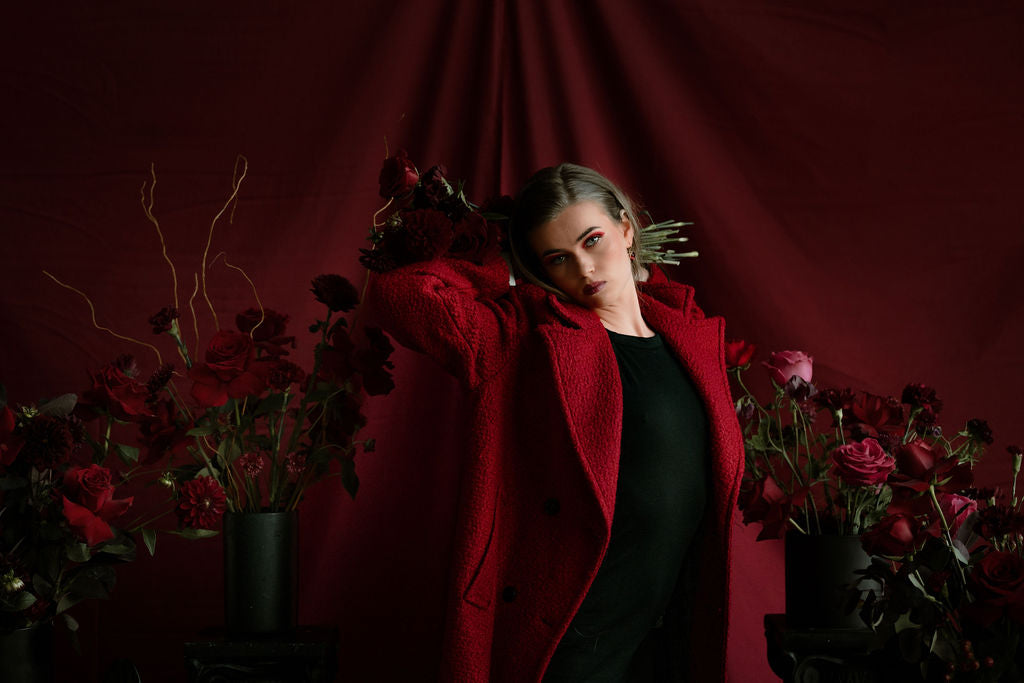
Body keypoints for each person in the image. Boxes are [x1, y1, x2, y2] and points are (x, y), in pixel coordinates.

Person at [370, 162, 744, 682]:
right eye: (558, 258)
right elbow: (399, 295)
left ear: (626, 228)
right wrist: (500, 261)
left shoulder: (686, 332)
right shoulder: (526, 338)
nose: (585, 269)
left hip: (667, 626)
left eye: (593, 240)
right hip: (573, 632)